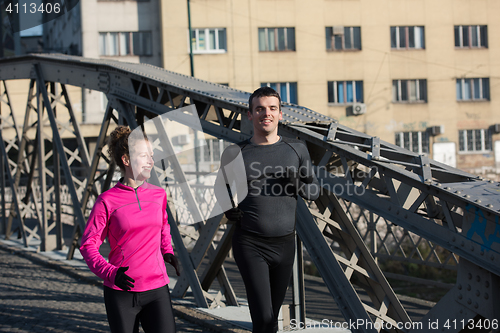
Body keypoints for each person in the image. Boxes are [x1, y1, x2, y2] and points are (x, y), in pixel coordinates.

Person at [219, 87, 320, 333]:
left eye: (272, 108)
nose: (267, 113)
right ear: (250, 115)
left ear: (281, 114)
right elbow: (220, 189)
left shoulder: (297, 149)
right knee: (263, 317)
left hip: (285, 245)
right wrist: (228, 209)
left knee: (270, 321)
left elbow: (315, 191)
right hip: (250, 243)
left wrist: (297, 183)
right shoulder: (235, 152)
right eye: (260, 109)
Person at [80, 125, 180, 333]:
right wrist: (110, 273)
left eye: (151, 155)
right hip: (121, 290)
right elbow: (88, 245)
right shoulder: (106, 201)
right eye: (144, 156)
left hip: (157, 287)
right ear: (126, 160)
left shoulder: (158, 194)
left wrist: (167, 250)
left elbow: (163, 226)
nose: (151, 161)